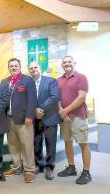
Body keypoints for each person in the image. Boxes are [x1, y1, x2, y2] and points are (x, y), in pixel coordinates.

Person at [57, 55, 92, 185]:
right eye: (64, 62)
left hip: (78, 115)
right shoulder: (58, 80)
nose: (67, 64)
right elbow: (57, 98)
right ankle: (71, 167)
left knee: (83, 143)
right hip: (64, 117)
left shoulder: (81, 77)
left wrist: (65, 110)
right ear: (62, 65)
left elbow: (81, 97)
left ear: (74, 63)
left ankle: (86, 172)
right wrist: (61, 111)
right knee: (67, 142)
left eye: (69, 62)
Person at [2, 58, 37, 183]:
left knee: (26, 145)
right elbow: (2, 101)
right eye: (11, 66)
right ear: (8, 68)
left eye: (15, 65)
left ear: (20, 66)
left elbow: (33, 100)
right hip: (9, 119)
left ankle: (29, 170)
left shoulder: (28, 80)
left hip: (23, 119)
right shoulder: (5, 81)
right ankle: (16, 167)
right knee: (13, 145)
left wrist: (29, 116)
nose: (13, 67)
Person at [28, 61, 60, 180]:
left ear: (40, 68)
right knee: (37, 143)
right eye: (31, 68)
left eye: (35, 67)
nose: (33, 70)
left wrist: (40, 109)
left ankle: (49, 168)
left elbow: (55, 96)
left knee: (50, 144)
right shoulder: (28, 82)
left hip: (49, 117)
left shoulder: (50, 81)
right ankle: (39, 165)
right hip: (35, 120)